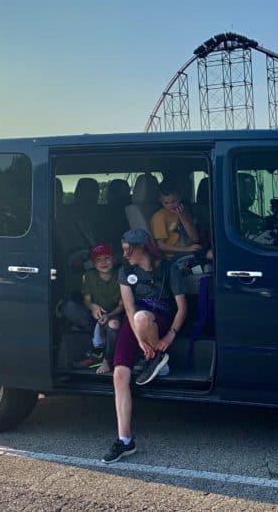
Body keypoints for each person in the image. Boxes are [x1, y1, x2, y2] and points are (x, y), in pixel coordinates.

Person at [102, 229, 187, 464]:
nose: (124, 254)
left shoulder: (169, 269)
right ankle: (125, 440)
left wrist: (170, 336)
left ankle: (158, 357)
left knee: (142, 318)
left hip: (159, 317)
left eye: (127, 249)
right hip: (136, 320)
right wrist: (139, 339)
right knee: (119, 375)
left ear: (141, 248)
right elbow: (129, 308)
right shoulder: (125, 271)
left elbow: (182, 307)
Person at [70, 244, 123, 375]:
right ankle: (94, 355)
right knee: (69, 308)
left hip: (115, 314)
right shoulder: (89, 276)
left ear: (113, 259)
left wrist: (110, 315)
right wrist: (93, 307)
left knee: (113, 324)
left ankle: (107, 360)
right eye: (99, 260)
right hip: (95, 315)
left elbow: (122, 305)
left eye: (107, 258)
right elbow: (87, 300)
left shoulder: (120, 274)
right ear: (93, 263)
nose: (104, 262)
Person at [150, 183, 202, 260]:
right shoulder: (159, 217)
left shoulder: (183, 211)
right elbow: (160, 245)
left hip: (190, 249)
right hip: (174, 256)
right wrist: (185, 249)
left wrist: (182, 216)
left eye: (174, 201)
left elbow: (195, 239)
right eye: (166, 203)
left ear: (180, 198)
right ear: (160, 200)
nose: (171, 205)